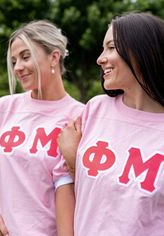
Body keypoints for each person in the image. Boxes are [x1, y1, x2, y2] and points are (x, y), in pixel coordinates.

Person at [58, 12, 164, 236]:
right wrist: (72, 161)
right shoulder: (95, 110)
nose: (100, 58)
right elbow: (68, 182)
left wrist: (74, 160)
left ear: (143, 50)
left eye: (111, 47)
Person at [0, 20, 85, 236]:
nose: (17, 67)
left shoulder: (80, 116)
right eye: (13, 60)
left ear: (54, 57)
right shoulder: (3, 108)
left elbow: (76, 186)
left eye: (25, 57)